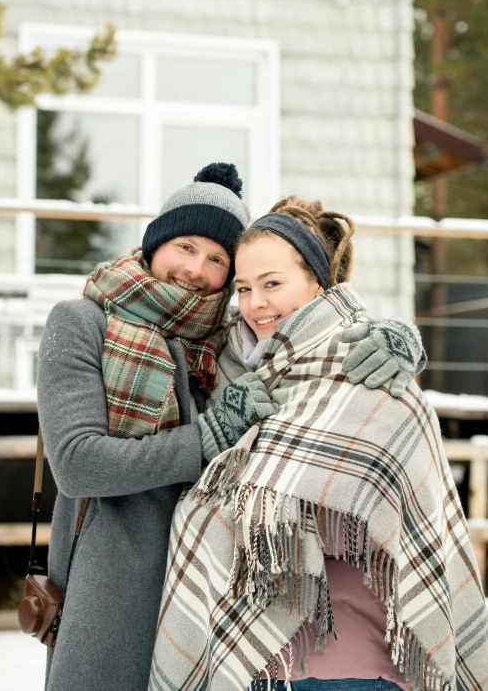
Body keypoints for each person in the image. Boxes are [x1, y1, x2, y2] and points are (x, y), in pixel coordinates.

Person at [38, 165, 424, 691]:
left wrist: (395, 334)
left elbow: (309, 327)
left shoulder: (227, 337)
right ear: (154, 245)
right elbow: (77, 463)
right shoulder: (83, 323)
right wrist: (208, 436)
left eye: (218, 259)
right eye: (185, 246)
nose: (196, 269)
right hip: (114, 589)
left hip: (211, 592)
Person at [149, 197, 488, 691]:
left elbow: (405, 503)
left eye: (272, 284)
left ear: (318, 283)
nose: (256, 303)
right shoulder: (225, 369)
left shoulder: (368, 367)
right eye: (243, 288)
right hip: (248, 664)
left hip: (355, 658)